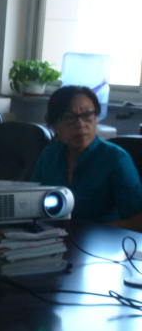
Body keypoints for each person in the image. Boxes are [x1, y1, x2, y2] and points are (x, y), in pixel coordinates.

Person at [30, 85, 142, 231]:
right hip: (51, 237)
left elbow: (137, 222)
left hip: (100, 240)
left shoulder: (116, 159)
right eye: (69, 117)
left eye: (88, 115)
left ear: (96, 119)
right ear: (54, 125)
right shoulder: (49, 154)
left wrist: (90, 232)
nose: (81, 124)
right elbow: (31, 203)